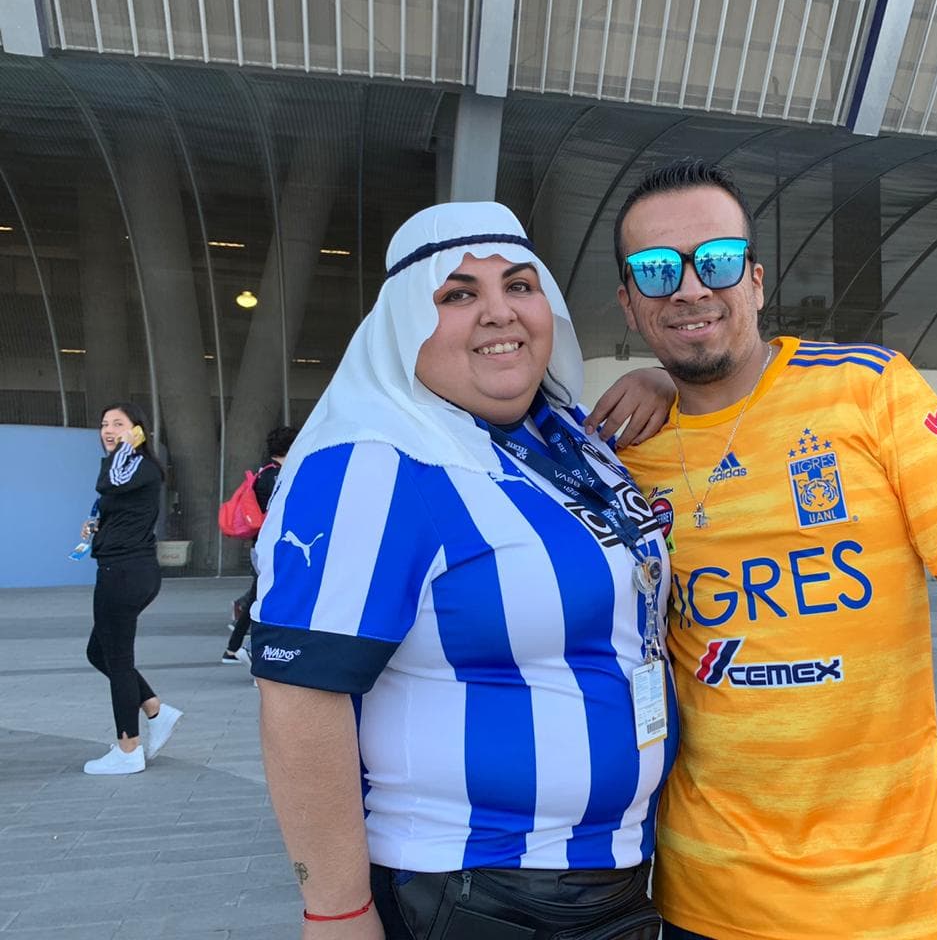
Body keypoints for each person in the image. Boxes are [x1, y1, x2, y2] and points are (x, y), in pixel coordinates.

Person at [599, 160, 937, 940]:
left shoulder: (872, 390)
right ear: (631, 305)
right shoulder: (624, 455)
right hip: (703, 898)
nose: (692, 288)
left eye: (719, 261)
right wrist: (660, 386)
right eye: (658, 271)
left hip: (891, 896)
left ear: (757, 282)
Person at [250, 202, 677, 940]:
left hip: (616, 876)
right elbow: (298, 698)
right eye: (458, 295)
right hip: (478, 893)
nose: (497, 312)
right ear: (404, 323)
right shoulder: (374, 462)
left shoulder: (563, 441)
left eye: (519, 286)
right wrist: (338, 912)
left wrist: (669, 382)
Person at [81, 402, 183, 775]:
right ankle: (155, 708)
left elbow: (106, 482)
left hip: (124, 573)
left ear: (138, 430)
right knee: (98, 652)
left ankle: (128, 749)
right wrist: (98, 528)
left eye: (118, 424)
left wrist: (125, 446)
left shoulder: (134, 465)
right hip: (123, 568)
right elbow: (116, 501)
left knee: (119, 661)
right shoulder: (130, 468)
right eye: (104, 423)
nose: (108, 430)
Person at [221, 425, 298, 664]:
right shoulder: (278, 476)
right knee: (270, 599)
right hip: (272, 547)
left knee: (259, 596)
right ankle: (253, 649)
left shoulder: (265, 473)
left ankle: (235, 649)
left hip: (260, 546)